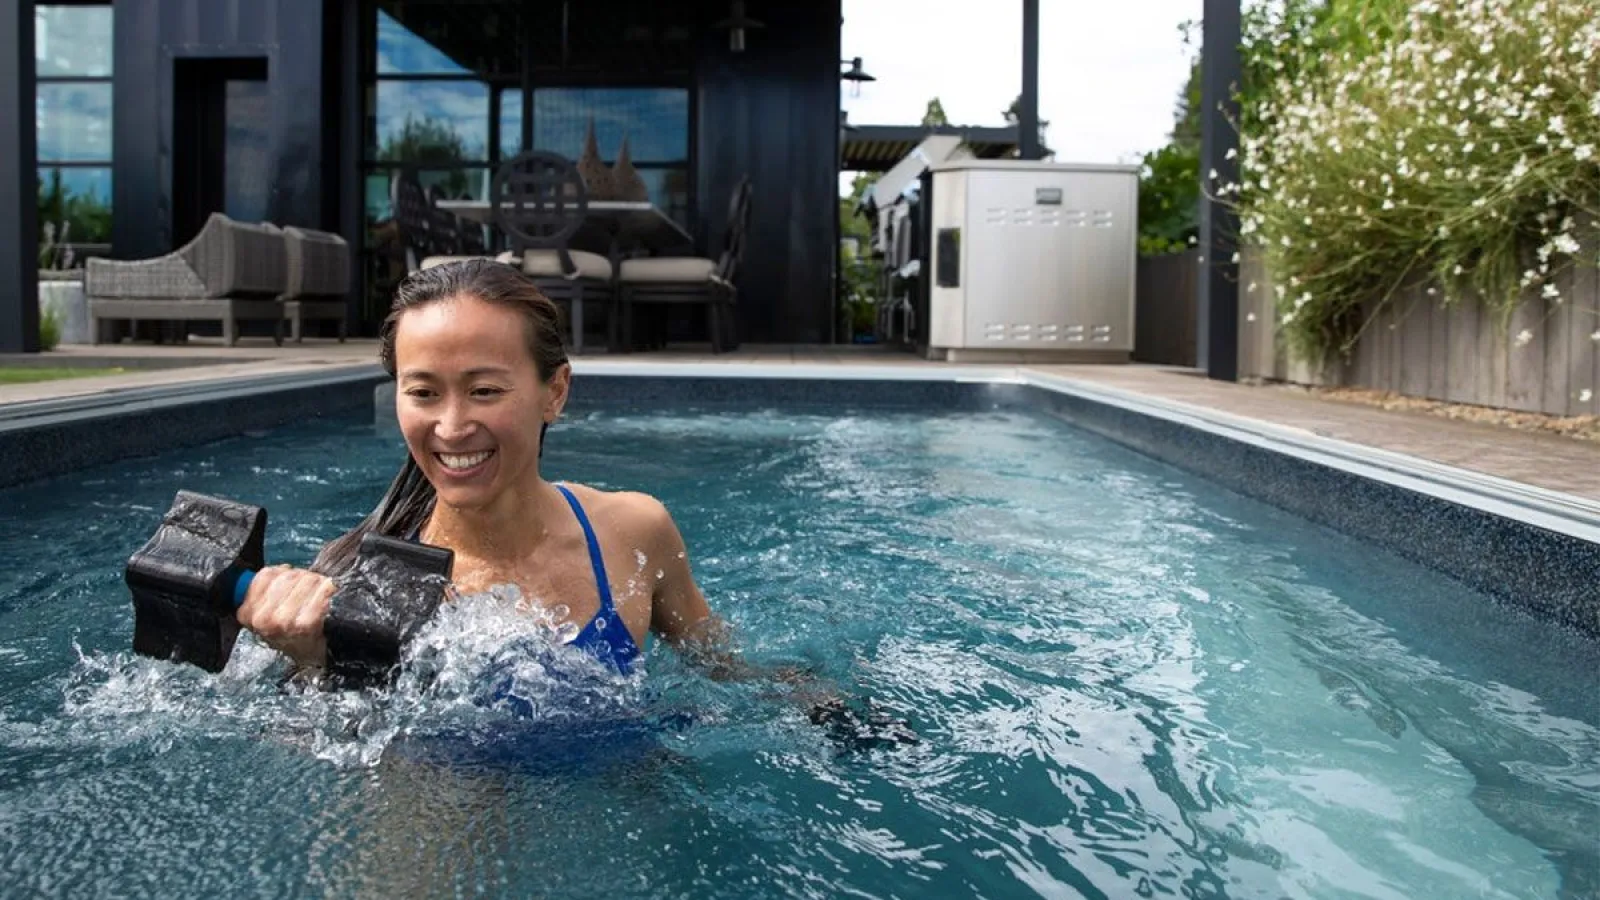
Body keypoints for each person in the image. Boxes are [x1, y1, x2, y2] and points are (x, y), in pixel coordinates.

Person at [236, 258, 728, 679]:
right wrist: (320, 666)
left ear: (555, 392)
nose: (450, 428)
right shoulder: (364, 587)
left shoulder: (634, 531)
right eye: (423, 393)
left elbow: (727, 673)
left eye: (485, 391)